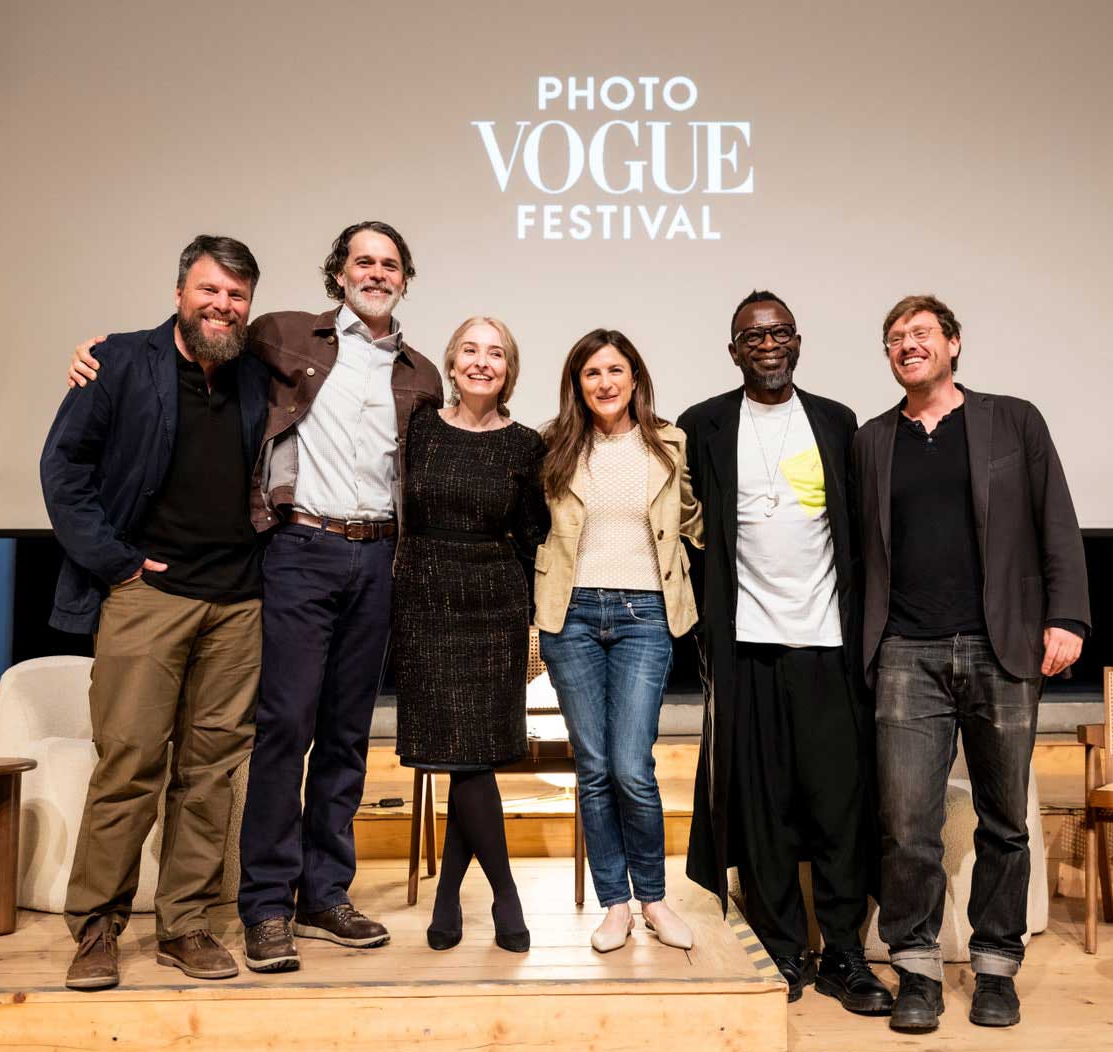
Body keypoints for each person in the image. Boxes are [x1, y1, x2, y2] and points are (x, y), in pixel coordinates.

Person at [67, 221, 444, 972]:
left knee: (341, 740)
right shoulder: (280, 336)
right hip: (299, 551)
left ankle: (321, 895)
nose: (376, 273)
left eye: (390, 264)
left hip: (368, 563)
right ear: (336, 273)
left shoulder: (420, 373)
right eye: (362, 261)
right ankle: (261, 906)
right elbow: (164, 356)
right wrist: (98, 352)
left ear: (405, 278)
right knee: (277, 735)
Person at [851, 294, 1090, 1032]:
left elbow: (1057, 517)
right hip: (906, 653)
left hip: (1004, 644)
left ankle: (995, 969)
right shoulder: (871, 440)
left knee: (1004, 821)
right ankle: (916, 969)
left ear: (954, 343)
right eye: (895, 338)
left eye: (922, 334)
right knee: (906, 823)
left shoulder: (1013, 420)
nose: (908, 345)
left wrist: (1067, 615)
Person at [42, 235, 269, 990]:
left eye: (236, 296)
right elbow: (63, 467)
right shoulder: (118, 363)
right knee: (129, 763)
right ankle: (98, 926)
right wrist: (114, 562)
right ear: (180, 293)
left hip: (238, 604)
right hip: (149, 598)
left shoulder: (258, 374)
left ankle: (186, 925)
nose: (221, 306)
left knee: (209, 778)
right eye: (209, 291)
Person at [679, 291, 890, 1013]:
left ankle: (846, 953)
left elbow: (860, 533)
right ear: (732, 349)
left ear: (797, 342)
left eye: (778, 333)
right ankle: (782, 948)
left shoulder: (835, 422)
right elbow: (686, 532)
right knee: (762, 809)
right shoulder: (703, 424)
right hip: (747, 648)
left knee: (838, 806)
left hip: (828, 644)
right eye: (751, 335)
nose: (766, 344)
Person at [533, 329, 703, 953]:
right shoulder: (552, 445)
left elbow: (693, 518)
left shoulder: (670, 444)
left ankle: (653, 899)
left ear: (635, 377)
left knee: (633, 766)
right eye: (591, 374)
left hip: (645, 615)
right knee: (595, 767)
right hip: (571, 616)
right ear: (577, 384)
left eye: (615, 370)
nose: (604, 383)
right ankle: (614, 904)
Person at [391, 316, 549, 953]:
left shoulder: (525, 444)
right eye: (470, 351)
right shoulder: (419, 428)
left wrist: (539, 615)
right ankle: (501, 893)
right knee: (463, 758)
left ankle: (453, 894)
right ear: (451, 365)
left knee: (472, 757)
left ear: (509, 370)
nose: (482, 363)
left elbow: (536, 533)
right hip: (426, 601)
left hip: (495, 607)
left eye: (496, 354)